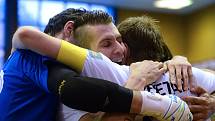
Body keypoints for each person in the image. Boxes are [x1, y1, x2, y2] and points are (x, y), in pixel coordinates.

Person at [11, 9, 193, 121]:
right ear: (69, 31)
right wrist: (139, 83)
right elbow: (25, 35)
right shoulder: (34, 59)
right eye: (106, 43)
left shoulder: (120, 70)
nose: (120, 50)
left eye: (120, 41)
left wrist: (177, 61)